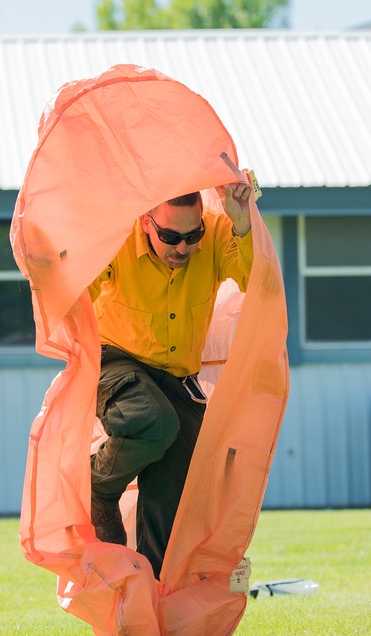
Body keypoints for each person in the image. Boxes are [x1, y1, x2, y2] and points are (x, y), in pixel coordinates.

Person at [88, 178, 254, 578]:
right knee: (154, 421)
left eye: (191, 235)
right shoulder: (117, 236)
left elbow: (252, 278)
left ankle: (153, 594)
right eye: (170, 236)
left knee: (175, 495)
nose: (183, 247)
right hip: (116, 363)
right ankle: (98, 488)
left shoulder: (214, 233)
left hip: (177, 378)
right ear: (146, 222)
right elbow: (74, 287)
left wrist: (243, 223)